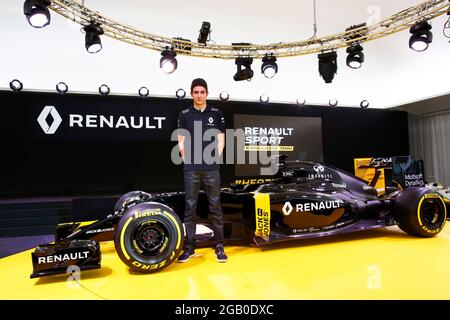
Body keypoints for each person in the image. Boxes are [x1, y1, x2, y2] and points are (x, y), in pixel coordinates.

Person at [176, 78, 227, 263]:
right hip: (191, 169)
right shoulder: (184, 114)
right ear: (192, 94)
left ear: (206, 93)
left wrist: (216, 156)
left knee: (215, 207)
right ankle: (189, 248)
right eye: (196, 92)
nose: (199, 95)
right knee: (190, 208)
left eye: (202, 92)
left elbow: (221, 138)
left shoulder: (216, 112)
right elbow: (181, 139)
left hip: (211, 168)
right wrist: (184, 156)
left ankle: (219, 246)